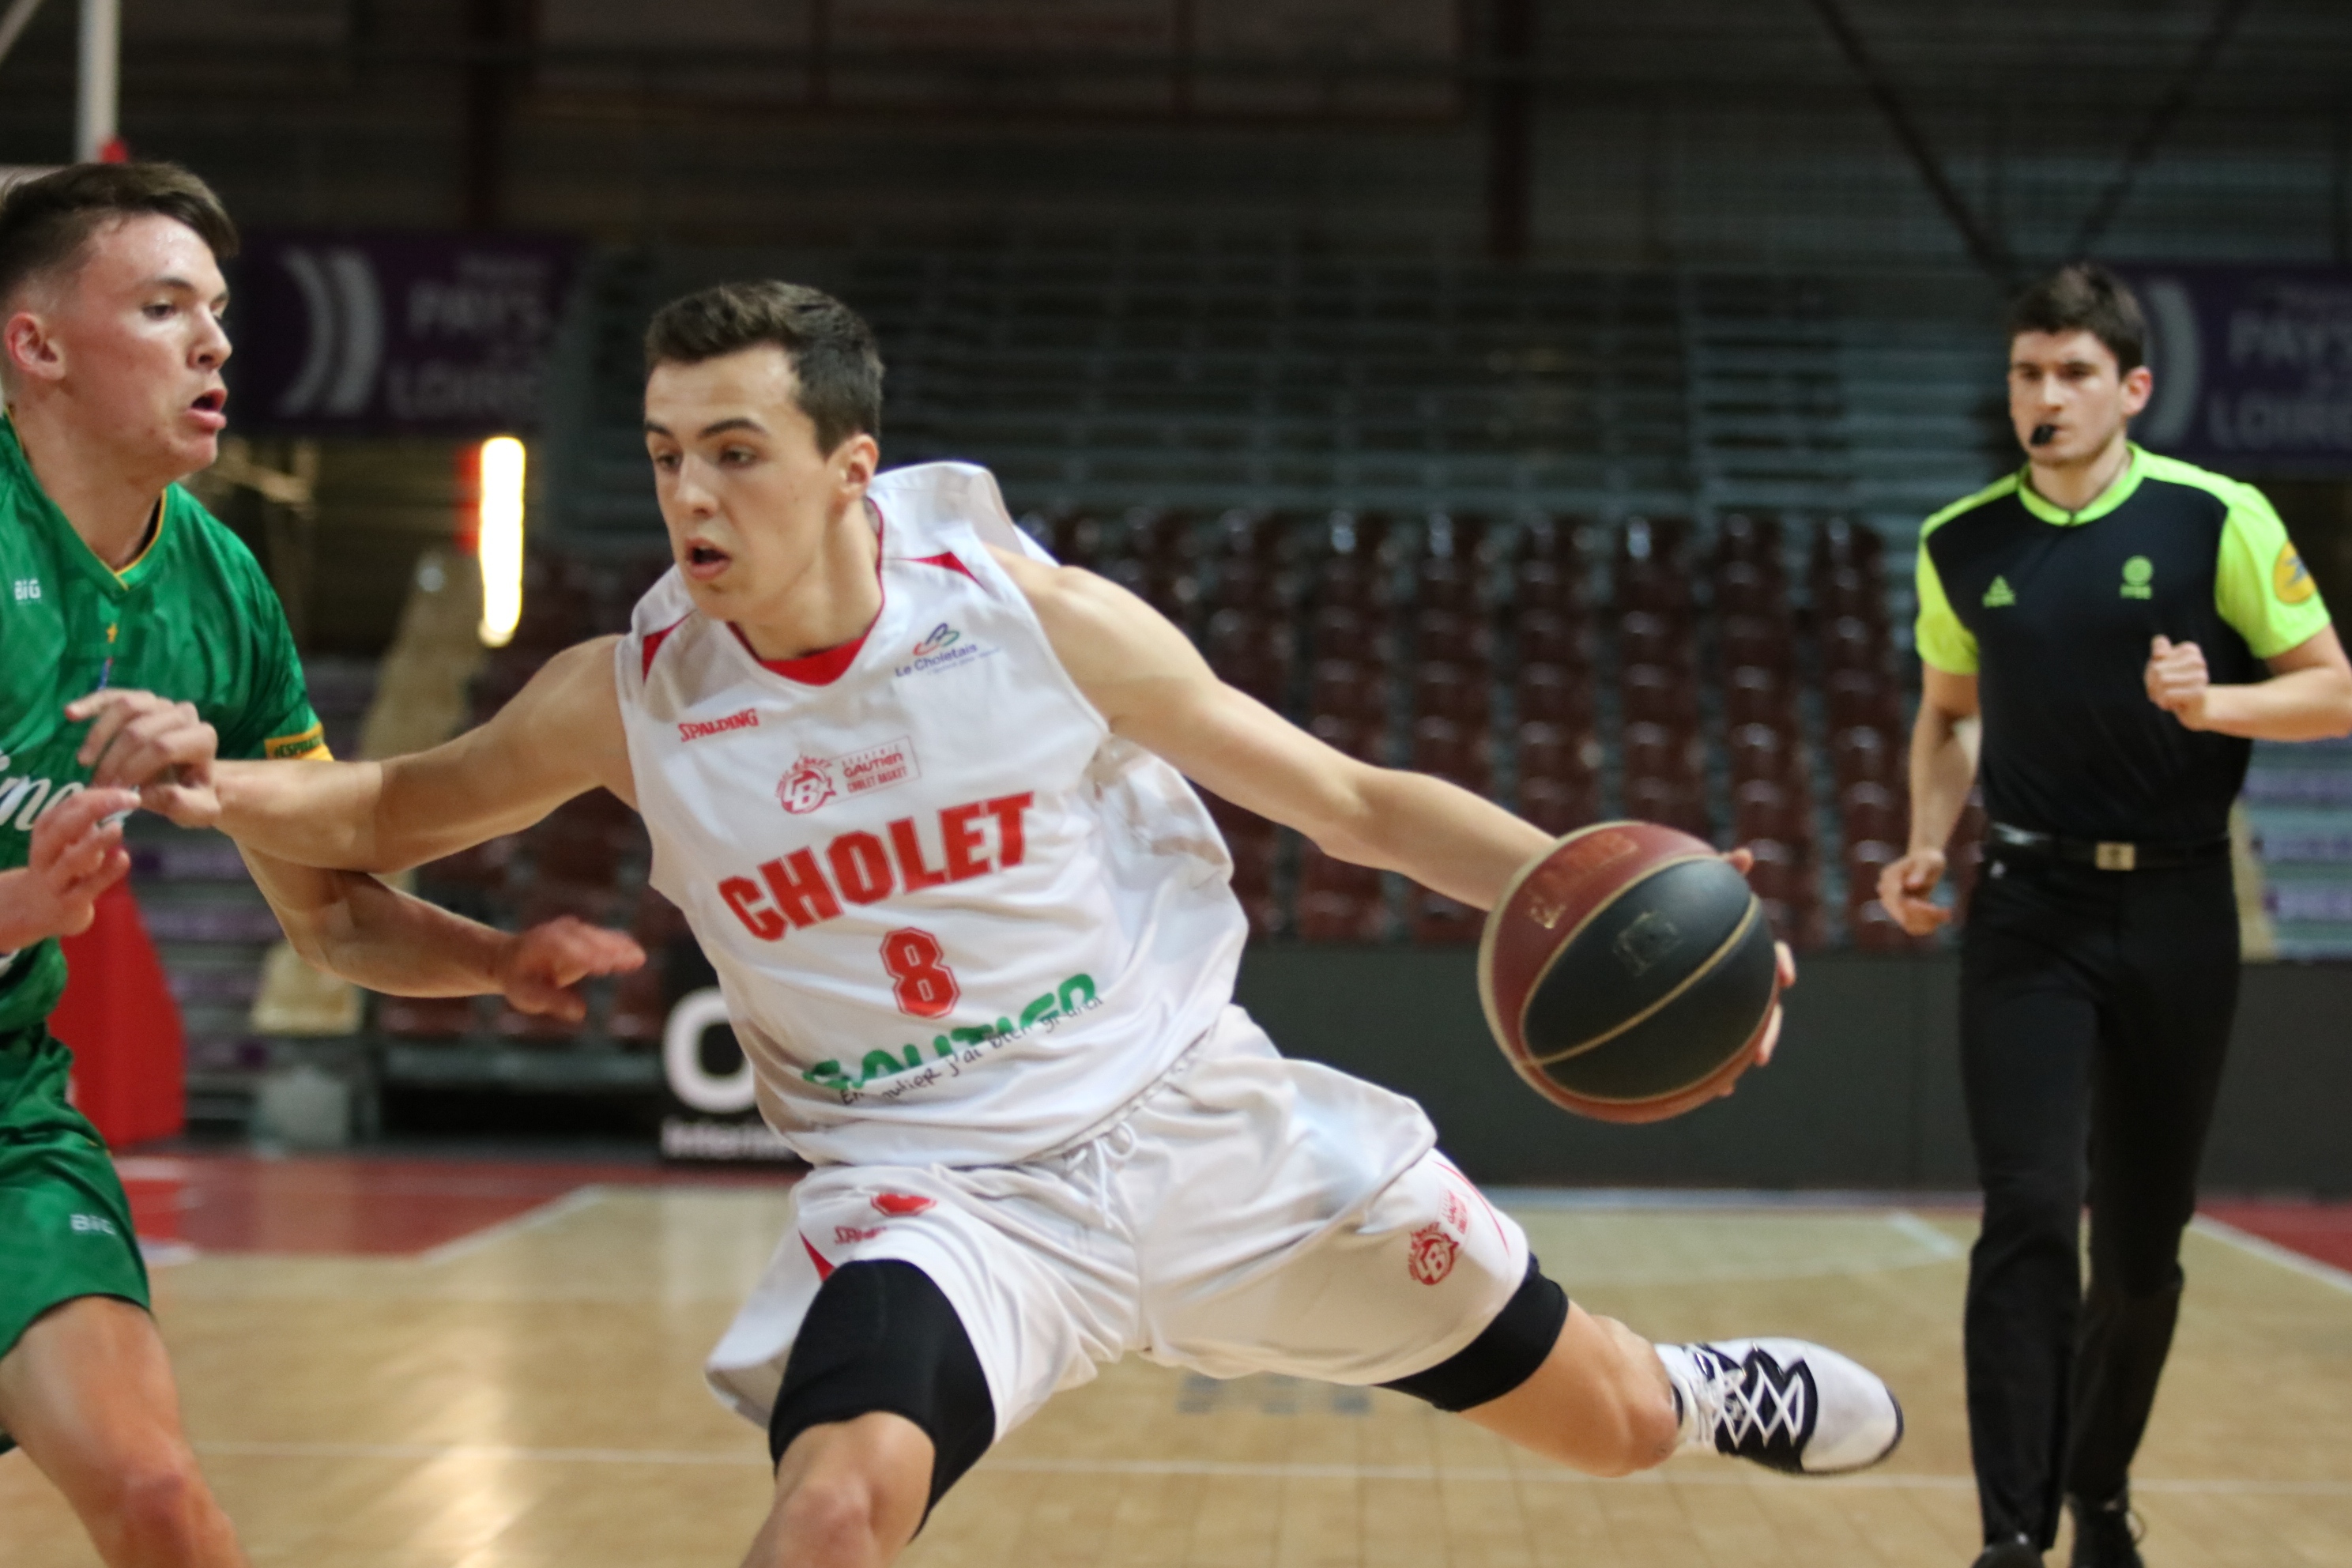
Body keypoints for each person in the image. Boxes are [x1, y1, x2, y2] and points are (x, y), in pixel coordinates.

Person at [156, 279, 1905, 1568]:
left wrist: (1636, 913)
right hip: (936, 1190)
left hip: (1199, 1124)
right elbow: (387, 810)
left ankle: (1692, 1385)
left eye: (739, 453)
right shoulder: (621, 698)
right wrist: (211, 780)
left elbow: (1355, 803)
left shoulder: (1037, 622)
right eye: (670, 454)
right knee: (833, 1498)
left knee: (1604, 1431)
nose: (694, 495)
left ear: (854, 468)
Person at [0, 161, 640, 1568]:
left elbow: (332, 925)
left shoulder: (223, 594)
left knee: (160, 1502)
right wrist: (13, 909)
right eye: (165, 308)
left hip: (5, 1110)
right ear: (34, 345)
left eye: (217, 310)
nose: (216, 342)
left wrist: (493, 962)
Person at [1877, 262, 2352, 1568]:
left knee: (2143, 1253)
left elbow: (2334, 690)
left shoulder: (2223, 518)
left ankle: (2097, 1488)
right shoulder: (1961, 542)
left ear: (2132, 389)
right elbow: (1949, 713)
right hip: (2028, 909)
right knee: (2028, 1214)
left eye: (2076, 373)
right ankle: (2010, 1536)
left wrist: (2219, 706)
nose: (2048, 395)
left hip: (2182, 910)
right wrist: (1925, 845)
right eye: (2030, 372)